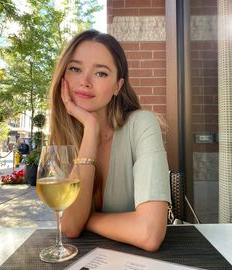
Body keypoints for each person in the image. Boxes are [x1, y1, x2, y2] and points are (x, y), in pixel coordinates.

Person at [49, 29, 171, 252]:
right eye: (75, 69)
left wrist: (88, 218)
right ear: (63, 77)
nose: (85, 81)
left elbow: (149, 234)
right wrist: (91, 129)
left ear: (118, 86)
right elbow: (71, 228)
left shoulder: (142, 124)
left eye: (101, 73)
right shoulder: (65, 138)